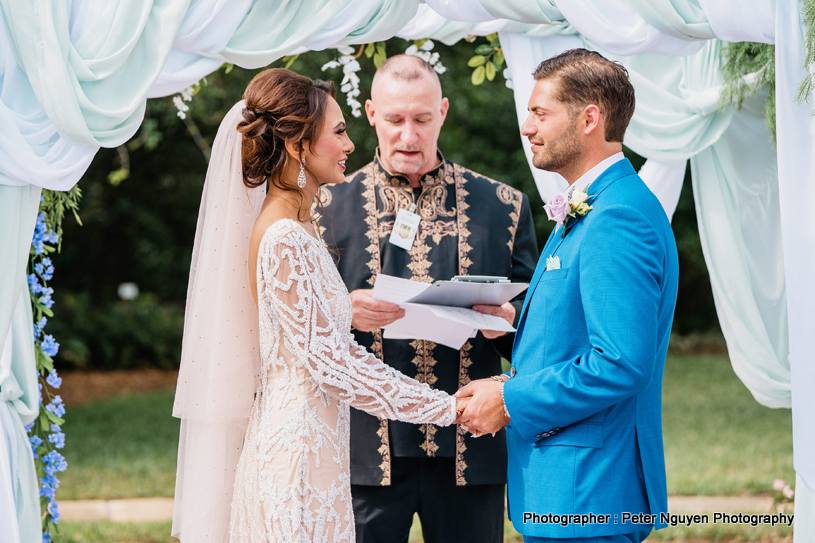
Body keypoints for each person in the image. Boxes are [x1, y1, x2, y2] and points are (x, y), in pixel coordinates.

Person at [172, 68, 466, 543]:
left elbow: (301, 333)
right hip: (299, 457)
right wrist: (445, 407)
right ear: (297, 145)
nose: (350, 145)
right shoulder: (286, 236)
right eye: (339, 131)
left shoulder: (298, 226)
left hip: (315, 447)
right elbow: (335, 365)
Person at [455, 49, 679, 542]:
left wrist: (509, 399)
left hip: (589, 495)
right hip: (566, 492)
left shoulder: (618, 216)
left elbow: (620, 362)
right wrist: (515, 323)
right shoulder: (592, 206)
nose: (527, 127)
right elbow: (579, 333)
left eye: (540, 113)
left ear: (589, 119)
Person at [319, 55, 538, 543]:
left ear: (442, 111)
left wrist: (507, 319)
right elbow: (293, 326)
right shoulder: (327, 207)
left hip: (470, 443)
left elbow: (539, 327)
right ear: (372, 114)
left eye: (421, 120)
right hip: (363, 450)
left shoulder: (503, 207)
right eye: (395, 121)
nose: (409, 136)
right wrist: (341, 309)